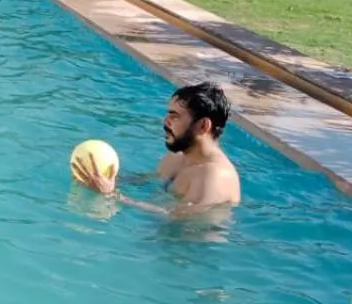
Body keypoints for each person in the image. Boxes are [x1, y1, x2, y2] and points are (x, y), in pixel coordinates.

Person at [73, 82, 241, 212]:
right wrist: (98, 178)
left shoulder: (215, 176)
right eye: (168, 114)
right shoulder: (177, 158)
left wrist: (112, 196)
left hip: (191, 253)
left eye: (175, 117)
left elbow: (181, 219)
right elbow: (145, 181)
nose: (166, 121)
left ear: (203, 125)